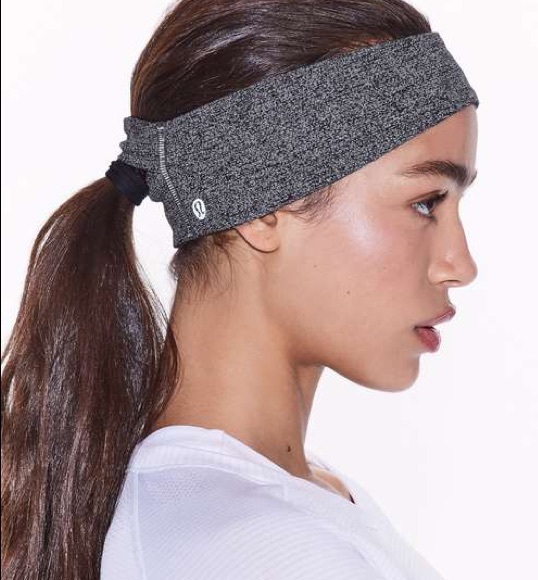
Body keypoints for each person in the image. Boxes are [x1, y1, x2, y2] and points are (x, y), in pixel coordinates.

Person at [1, 1, 479, 579]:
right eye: (426, 203)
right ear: (261, 204)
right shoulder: (265, 548)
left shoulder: (277, 505)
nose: (460, 265)